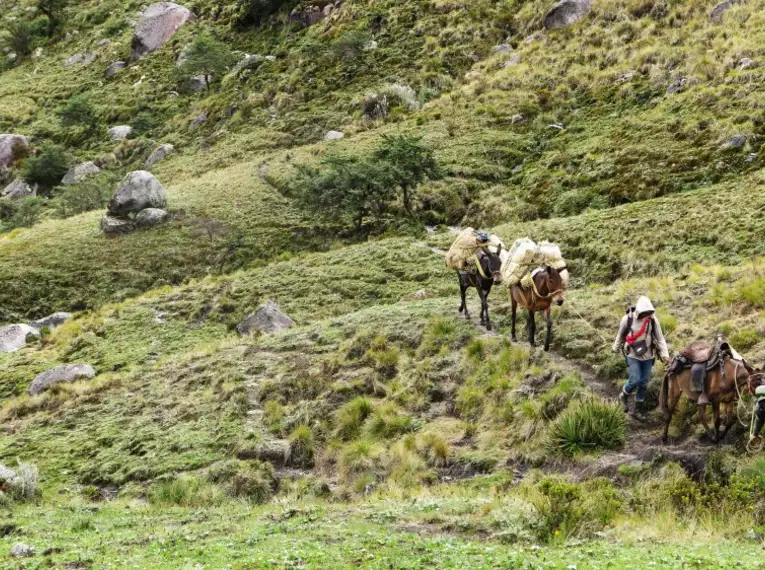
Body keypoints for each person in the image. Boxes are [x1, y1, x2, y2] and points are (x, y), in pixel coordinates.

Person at [612, 296, 670, 420]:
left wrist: (665, 355)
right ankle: (624, 395)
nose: (646, 314)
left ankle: (637, 410)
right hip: (632, 354)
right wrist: (615, 348)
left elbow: (660, 338)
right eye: (645, 312)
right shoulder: (627, 319)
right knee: (635, 379)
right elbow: (620, 335)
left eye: (649, 312)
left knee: (644, 383)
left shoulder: (653, 320)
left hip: (648, 356)